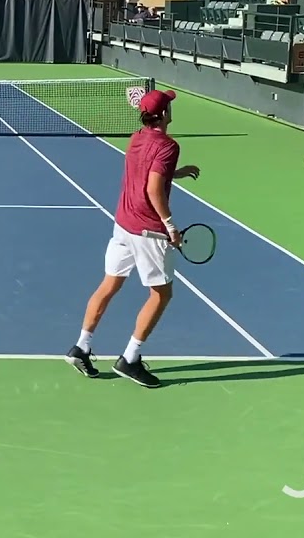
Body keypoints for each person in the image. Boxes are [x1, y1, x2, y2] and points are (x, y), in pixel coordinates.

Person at [65, 89, 200, 388]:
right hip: (148, 230)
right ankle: (130, 358)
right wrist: (171, 226)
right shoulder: (168, 145)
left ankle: (82, 347)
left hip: (122, 225)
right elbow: (153, 189)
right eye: (169, 107)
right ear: (164, 115)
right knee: (161, 294)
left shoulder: (136, 137)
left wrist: (175, 173)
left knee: (109, 284)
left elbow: (146, 172)